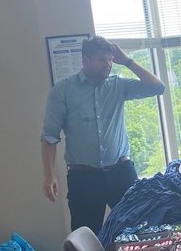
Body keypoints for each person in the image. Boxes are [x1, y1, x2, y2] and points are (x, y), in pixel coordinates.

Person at [41, 36, 165, 234]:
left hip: (121, 172)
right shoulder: (63, 91)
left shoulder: (119, 85)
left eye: (110, 59)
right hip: (84, 177)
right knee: (85, 237)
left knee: (140, 231)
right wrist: (49, 176)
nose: (107, 64)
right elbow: (49, 137)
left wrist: (127, 61)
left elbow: (158, 87)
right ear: (86, 60)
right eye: (101, 60)